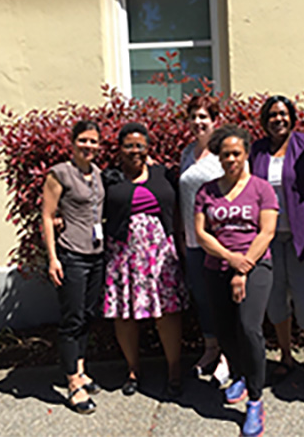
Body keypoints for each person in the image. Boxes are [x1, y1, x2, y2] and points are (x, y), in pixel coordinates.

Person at [194, 124, 278, 437]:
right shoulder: (207, 191)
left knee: (249, 327)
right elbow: (202, 233)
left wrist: (243, 269)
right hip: (216, 267)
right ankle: (240, 374)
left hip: (255, 266)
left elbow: (266, 231)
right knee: (224, 329)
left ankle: (255, 399)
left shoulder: (261, 188)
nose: (230, 159)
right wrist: (230, 260)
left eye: (236, 153)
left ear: (246, 154)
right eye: (225, 154)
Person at [102, 123, 188, 398]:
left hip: (161, 252)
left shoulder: (163, 173)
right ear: (119, 149)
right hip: (123, 252)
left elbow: (183, 202)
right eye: (129, 145)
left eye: (140, 145)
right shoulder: (109, 178)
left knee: (168, 312)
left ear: (148, 148)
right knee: (125, 315)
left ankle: (174, 368)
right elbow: (86, 203)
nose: (135, 151)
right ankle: (132, 369)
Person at [249, 95, 304, 389]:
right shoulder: (256, 150)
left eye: (283, 114)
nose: (278, 119)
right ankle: (285, 356)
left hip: (301, 237)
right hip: (267, 239)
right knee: (275, 300)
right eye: (272, 115)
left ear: (292, 117)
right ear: (264, 120)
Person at [42, 120, 105, 414]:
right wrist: (53, 258)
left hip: (96, 254)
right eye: (83, 140)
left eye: (93, 141)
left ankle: (80, 370)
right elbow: (47, 215)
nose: (88, 146)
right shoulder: (60, 173)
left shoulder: (99, 174)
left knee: (88, 315)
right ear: (72, 142)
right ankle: (72, 384)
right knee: (72, 319)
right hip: (71, 255)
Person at [178, 95, 229, 381]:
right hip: (191, 240)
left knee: (220, 297)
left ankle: (226, 354)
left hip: (218, 241)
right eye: (193, 117)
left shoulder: (222, 154)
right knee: (201, 297)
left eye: (203, 117)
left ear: (214, 121)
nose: (198, 122)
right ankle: (210, 348)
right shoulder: (186, 154)